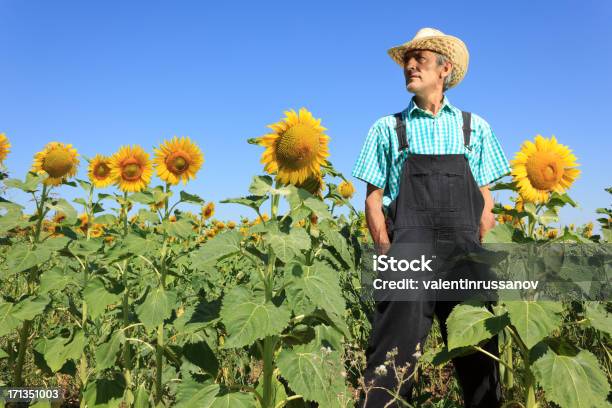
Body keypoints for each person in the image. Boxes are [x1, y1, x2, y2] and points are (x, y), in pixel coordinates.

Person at [352, 28, 511, 407]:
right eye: (407, 60)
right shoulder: (387, 128)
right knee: (389, 366)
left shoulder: (475, 127)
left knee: (480, 361)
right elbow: (373, 201)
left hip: (464, 257)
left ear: (445, 69)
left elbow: (486, 202)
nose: (409, 66)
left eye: (419, 59)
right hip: (409, 253)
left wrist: (475, 246)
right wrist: (388, 253)